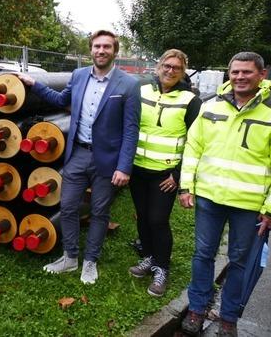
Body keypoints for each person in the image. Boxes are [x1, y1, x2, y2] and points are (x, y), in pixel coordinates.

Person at [17, 29, 141, 284]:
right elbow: (62, 99)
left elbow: (131, 130)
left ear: (114, 51)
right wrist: (35, 84)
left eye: (106, 46)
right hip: (77, 154)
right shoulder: (79, 75)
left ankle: (90, 261)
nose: (101, 51)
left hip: (107, 160)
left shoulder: (128, 85)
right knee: (68, 206)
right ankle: (70, 257)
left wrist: (124, 167)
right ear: (91, 50)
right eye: (96, 46)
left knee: (99, 211)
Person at [179, 52, 271, 337]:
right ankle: (196, 309)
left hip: (249, 206)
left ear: (261, 75)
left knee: (239, 262)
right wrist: (186, 186)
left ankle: (228, 318)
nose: (239, 77)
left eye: (246, 72)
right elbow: (193, 147)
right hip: (209, 199)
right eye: (235, 72)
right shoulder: (209, 106)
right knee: (202, 255)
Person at [128, 49, 201, 297]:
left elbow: (195, 141)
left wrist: (178, 174)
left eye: (176, 68)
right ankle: (148, 257)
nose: (170, 71)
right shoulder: (141, 90)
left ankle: (162, 267)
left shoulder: (190, 100)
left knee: (158, 220)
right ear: (159, 66)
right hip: (138, 168)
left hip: (165, 174)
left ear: (182, 72)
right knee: (143, 216)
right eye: (166, 66)